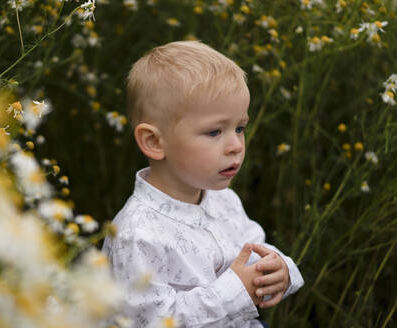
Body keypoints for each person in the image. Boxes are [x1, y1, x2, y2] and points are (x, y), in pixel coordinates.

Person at [102, 40, 304, 328]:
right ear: (155, 142)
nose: (236, 145)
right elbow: (151, 321)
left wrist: (280, 268)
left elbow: (253, 250)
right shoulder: (137, 234)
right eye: (214, 132)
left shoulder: (223, 200)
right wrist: (235, 292)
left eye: (239, 128)